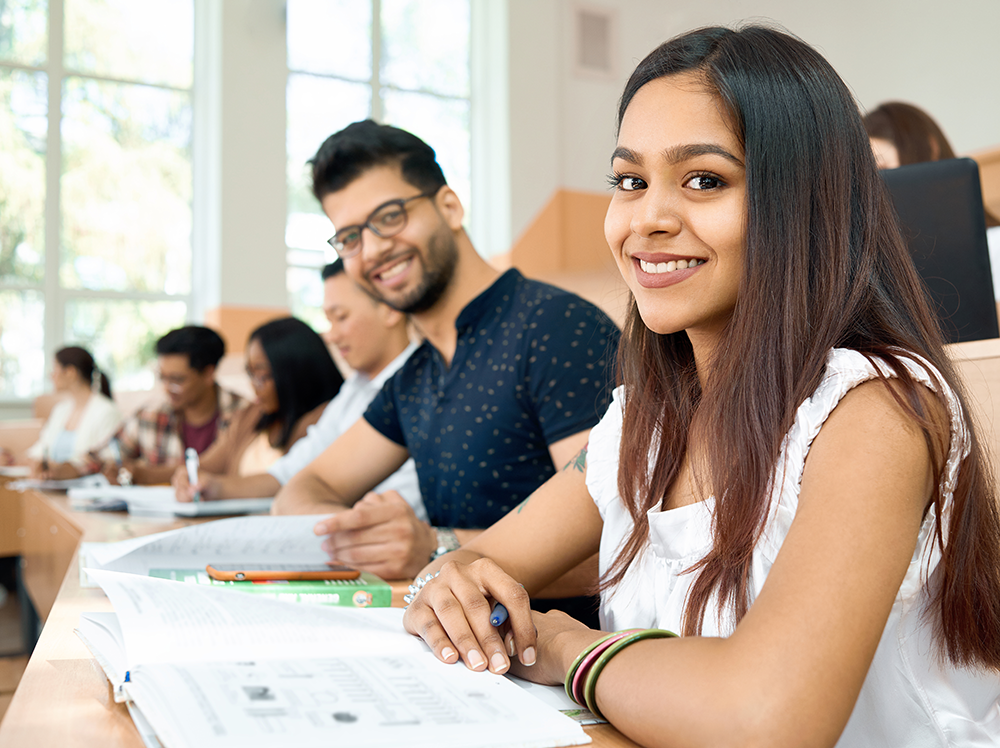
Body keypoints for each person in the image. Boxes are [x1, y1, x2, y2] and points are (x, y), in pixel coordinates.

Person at [402, 25, 1000, 748]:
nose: (647, 218)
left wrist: (562, 648)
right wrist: (454, 584)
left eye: (705, 179)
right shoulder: (640, 423)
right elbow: (479, 561)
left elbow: (766, 717)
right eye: (629, 180)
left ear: (803, 201)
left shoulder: (875, 411)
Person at [273, 120, 620, 592]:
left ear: (450, 207)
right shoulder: (414, 375)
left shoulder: (558, 329)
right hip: (448, 645)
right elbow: (302, 489)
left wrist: (437, 549)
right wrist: (358, 535)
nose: (372, 249)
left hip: (553, 653)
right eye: (350, 237)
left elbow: (618, 548)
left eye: (390, 216)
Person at [185, 259, 427, 516]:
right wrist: (217, 487)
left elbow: (391, 506)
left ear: (391, 309)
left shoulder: (422, 389)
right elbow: (292, 471)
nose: (331, 336)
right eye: (328, 320)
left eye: (341, 317)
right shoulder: (355, 389)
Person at [172, 317, 344, 501]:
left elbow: (290, 481)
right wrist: (187, 475)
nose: (254, 386)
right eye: (250, 373)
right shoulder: (252, 414)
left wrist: (220, 487)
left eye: (262, 376)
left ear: (297, 373)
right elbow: (209, 465)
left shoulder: (327, 421)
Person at [863, 101, 1000, 301]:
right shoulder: (885, 265)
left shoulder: (994, 244)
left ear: (929, 147)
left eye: (884, 169)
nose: (880, 188)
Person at [91, 326, 246, 485]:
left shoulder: (245, 415)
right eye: (162, 377)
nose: (166, 388)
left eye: (177, 380)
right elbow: (100, 456)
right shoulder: (152, 414)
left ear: (208, 373)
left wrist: (144, 474)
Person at [25, 346, 121, 480]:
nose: (51, 376)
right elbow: (40, 449)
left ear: (70, 372)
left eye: (54, 369)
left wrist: (59, 468)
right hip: (53, 486)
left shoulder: (107, 412)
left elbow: (107, 461)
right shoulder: (61, 410)